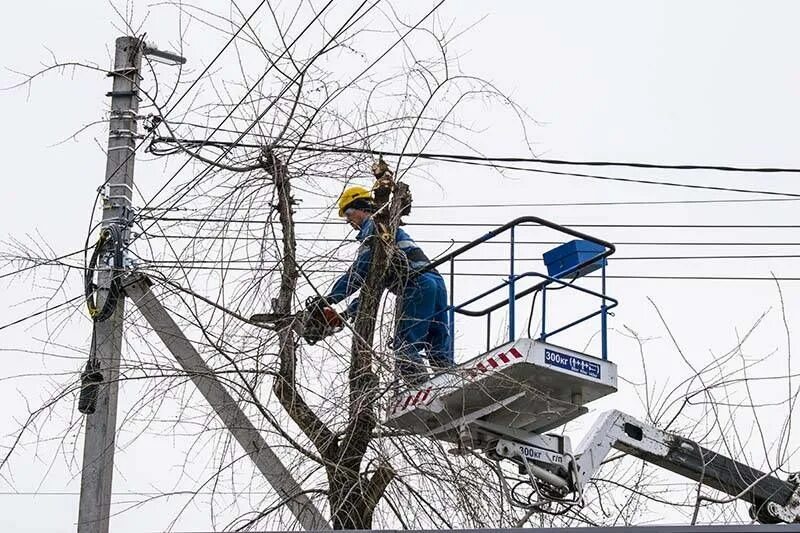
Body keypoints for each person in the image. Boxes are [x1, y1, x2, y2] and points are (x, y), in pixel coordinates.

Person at [313, 185, 454, 384]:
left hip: (416, 286)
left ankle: (424, 393)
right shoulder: (389, 229)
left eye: (349, 213)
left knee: (404, 349)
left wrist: (330, 298)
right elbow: (372, 287)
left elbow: (359, 272)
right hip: (435, 282)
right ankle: (450, 383)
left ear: (361, 207)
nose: (349, 220)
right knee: (437, 345)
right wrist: (346, 314)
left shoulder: (373, 228)